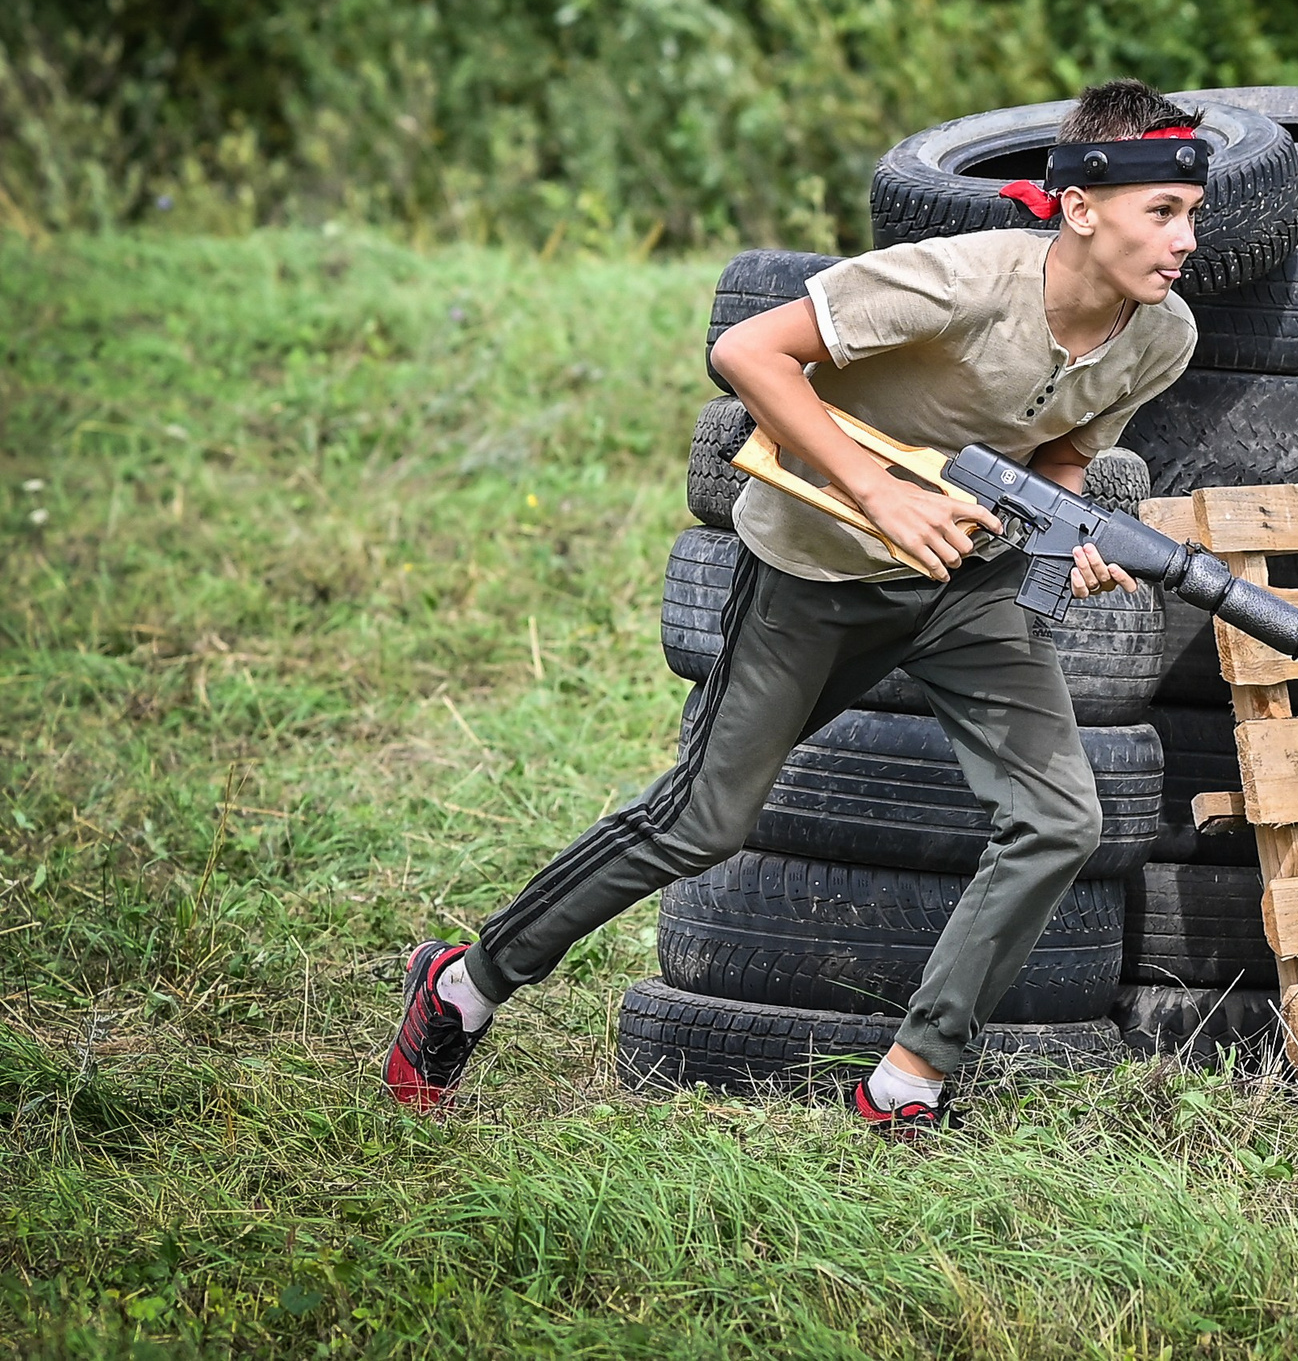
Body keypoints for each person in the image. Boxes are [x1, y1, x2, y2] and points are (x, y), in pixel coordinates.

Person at [384, 79, 1206, 1131]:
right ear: (1083, 208)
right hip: (814, 574)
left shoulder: (1160, 335)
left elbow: (1060, 452)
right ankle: (467, 980)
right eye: (1163, 213)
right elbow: (747, 354)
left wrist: (1067, 527)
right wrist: (878, 492)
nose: (1186, 240)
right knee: (702, 820)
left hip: (965, 581)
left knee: (1058, 819)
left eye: (1193, 214)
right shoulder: (954, 280)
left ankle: (911, 1078)